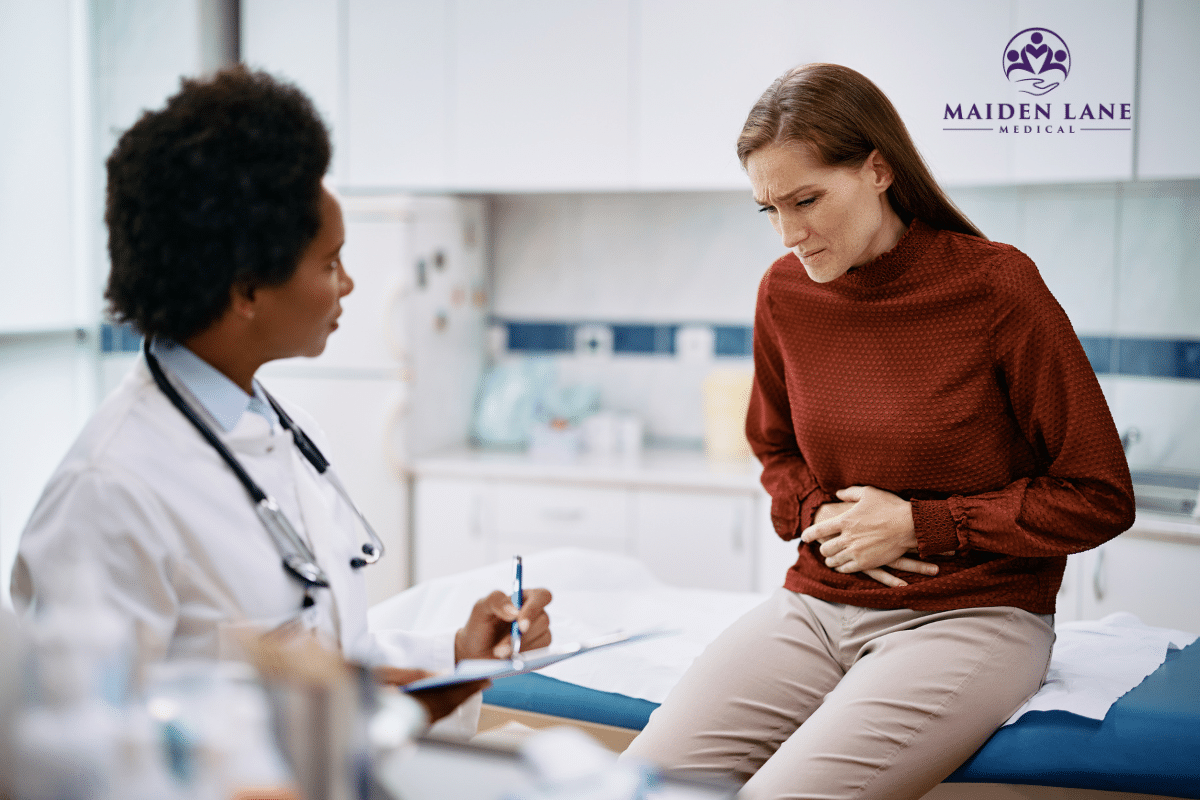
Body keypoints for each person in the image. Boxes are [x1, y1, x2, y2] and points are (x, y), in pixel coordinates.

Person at [622, 63, 1134, 799]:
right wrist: (819, 513)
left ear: (878, 170)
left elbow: (1099, 493)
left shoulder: (995, 286)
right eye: (768, 208)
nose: (790, 233)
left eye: (807, 199)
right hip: (816, 604)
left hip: (974, 616)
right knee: (637, 785)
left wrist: (924, 525)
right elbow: (775, 447)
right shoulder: (784, 294)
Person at [10, 66, 551, 728]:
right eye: (329, 263)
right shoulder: (109, 494)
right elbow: (78, 750)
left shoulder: (280, 432)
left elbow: (326, 655)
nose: (348, 285)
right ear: (245, 291)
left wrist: (456, 657)